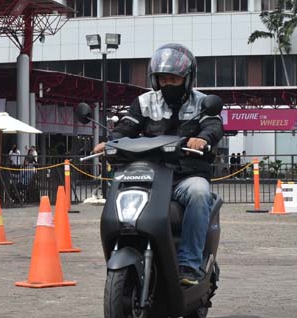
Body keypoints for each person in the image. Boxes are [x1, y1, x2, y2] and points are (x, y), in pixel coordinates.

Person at [93, 43, 224, 286]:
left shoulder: (203, 103)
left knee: (199, 193)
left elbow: (213, 125)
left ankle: (189, 264)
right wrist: (109, 142)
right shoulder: (144, 102)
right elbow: (126, 128)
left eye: (174, 78)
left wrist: (203, 138)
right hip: (150, 176)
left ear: (187, 79)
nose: (168, 83)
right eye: (163, 78)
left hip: (185, 177)